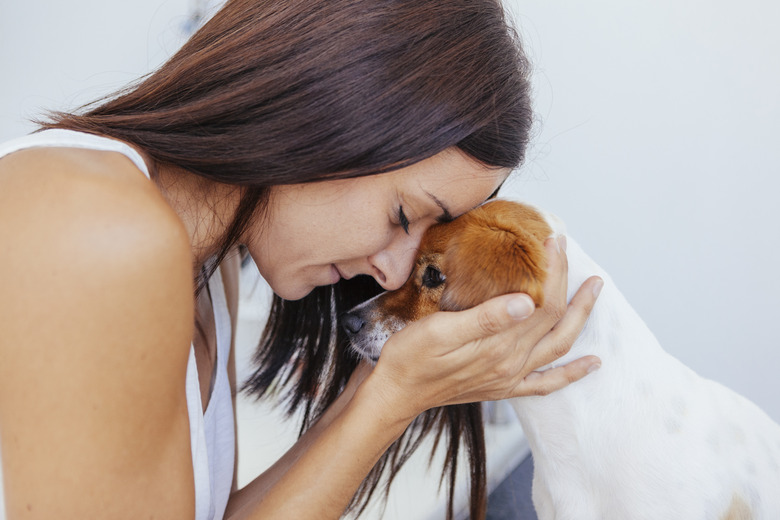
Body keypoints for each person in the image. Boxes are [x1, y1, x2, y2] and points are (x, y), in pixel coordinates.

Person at [0, 0, 603, 519]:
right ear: (323, 113)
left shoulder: (210, 265)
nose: (392, 273)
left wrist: (396, 384)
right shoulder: (101, 233)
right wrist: (391, 398)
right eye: (401, 216)